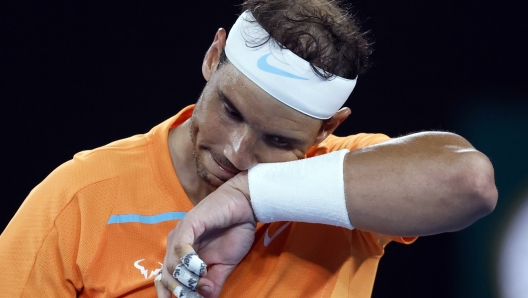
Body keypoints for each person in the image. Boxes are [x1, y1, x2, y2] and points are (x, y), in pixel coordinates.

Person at [0, 0, 497, 297]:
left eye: (278, 140)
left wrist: (251, 196)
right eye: (231, 111)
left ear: (329, 128)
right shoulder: (80, 199)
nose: (237, 152)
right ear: (213, 57)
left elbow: (471, 181)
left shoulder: (348, 180)